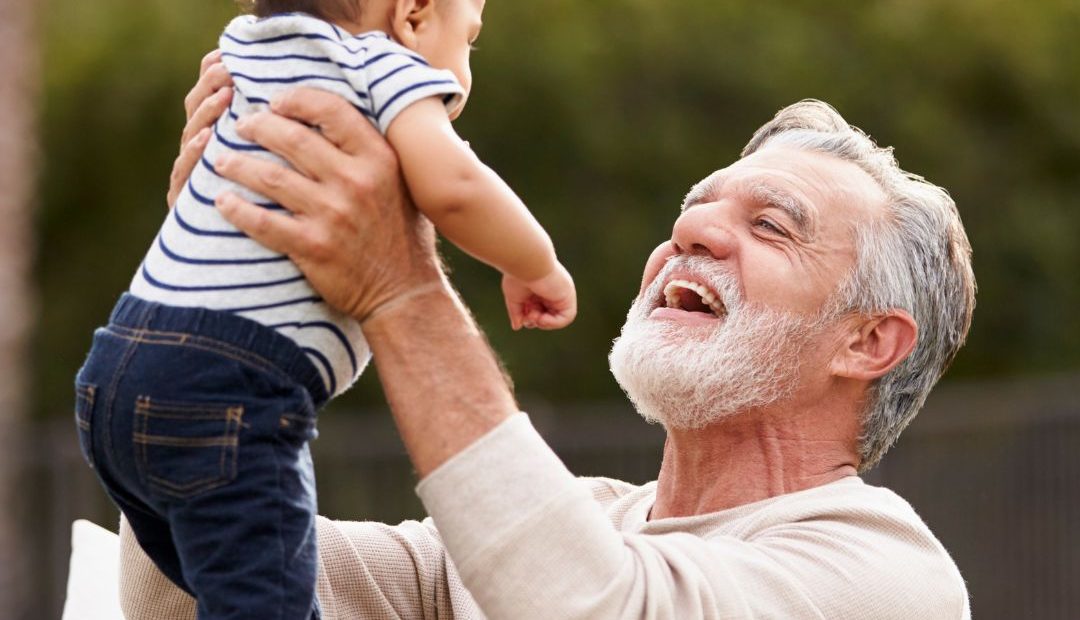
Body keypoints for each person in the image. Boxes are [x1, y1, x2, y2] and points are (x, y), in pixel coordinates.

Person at [119, 62, 975, 618]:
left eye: (772, 226)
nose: (692, 232)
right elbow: (188, 587)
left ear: (868, 342)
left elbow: (589, 606)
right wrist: (216, 285)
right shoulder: (573, 524)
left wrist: (399, 282)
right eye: (695, 208)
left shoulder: (887, 574)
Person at [75, 0, 575, 617]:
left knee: (218, 590)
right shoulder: (382, 67)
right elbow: (457, 187)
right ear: (413, 16)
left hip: (115, 370)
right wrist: (535, 264)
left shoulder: (250, 49)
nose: (465, 72)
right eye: (470, 40)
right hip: (226, 392)